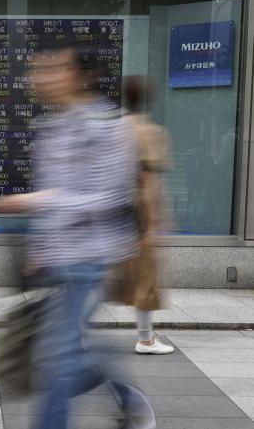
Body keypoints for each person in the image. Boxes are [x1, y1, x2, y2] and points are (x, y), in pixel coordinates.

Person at [0, 45, 156, 429]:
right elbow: (58, 192)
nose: (42, 79)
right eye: (38, 70)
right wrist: (40, 249)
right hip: (60, 258)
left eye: (54, 69)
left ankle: (119, 399)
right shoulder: (53, 126)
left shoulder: (107, 126)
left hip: (89, 257)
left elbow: (109, 196)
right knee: (66, 351)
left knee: (56, 358)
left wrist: (37, 201)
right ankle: (127, 395)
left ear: (82, 77)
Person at [111, 76, 174, 355]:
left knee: (102, 273)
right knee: (145, 276)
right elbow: (149, 182)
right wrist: (154, 224)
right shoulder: (150, 132)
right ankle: (146, 339)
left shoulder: (114, 130)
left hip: (111, 211)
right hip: (137, 214)